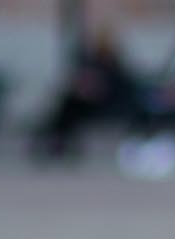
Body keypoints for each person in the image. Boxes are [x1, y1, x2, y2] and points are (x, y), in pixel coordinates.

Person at [34, 27, 136, 159]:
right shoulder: (96, 62)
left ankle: (55, 136)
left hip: (107, 107)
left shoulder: (114, 67)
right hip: (92, 104)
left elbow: (110, 90)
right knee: (71, 103)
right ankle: (56, 136)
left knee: (71, 105)